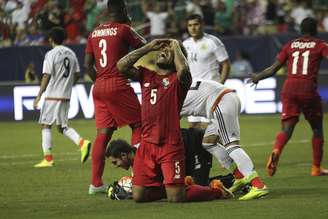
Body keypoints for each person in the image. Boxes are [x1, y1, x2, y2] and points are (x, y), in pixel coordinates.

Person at [117, 39, 232, 202]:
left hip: (170, 145)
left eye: (168, 52)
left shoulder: (179, 81)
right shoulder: (146, 75)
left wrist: (175, 45)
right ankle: (174, 187)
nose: (163, 52)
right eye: (162, 51)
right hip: (147, 145)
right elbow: (121, 66)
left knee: (177, 198)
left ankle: (215, 190)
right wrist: (149, 47)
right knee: (139, 196)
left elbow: (184, 69)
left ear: (176, 59)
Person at [248, 17, 328, 177]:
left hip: (289, 87)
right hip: (307, 87)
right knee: (317, 129)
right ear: (315, 30)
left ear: (301, 29)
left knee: (287, 128)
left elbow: (273, 68)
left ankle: (276, 150)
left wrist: (258, 77)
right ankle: (316, 168)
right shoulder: (320, 45)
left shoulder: (290, 45)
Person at [84, 0, 146, 195]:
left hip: (99, 86)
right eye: (126, 10)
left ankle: (95, 184)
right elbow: (145, 46)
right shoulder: (123, 29)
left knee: (103, 134)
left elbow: (87, 65)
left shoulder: (94, 32)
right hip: (117, 83)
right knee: (139, 125)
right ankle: (139, 175)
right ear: (121, 10)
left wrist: (101, 81)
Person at [180, 79, 269, 200]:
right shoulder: (181, 87)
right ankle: (239, 177)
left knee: (231, 144)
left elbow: (170, 123)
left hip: (220, 103)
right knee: (209, 143)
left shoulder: (173, 100)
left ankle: (258, 185)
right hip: (226, 97)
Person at [33, 27, 91, 168]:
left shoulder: (50, 54)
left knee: (46, 125)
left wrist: (39, 95)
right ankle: (82, 143)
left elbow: (46, 75)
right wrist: (67, 85)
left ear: (51, 39)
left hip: (53, 95)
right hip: (65, 95)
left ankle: (48, 158)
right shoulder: (71, 53)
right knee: (62, 126)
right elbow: (77, 74)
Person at [105, 128, 234, 187]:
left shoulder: (143, 152)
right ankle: (233, 180)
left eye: (115, 162)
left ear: (123, 155)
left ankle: (236, 180)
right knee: (190, 184)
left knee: (199, 186)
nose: (116, 165)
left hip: (193, 143)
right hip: (182, 154)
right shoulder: (137, 164)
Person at [182, 14, 231, 129]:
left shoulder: (213, 41)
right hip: (193, 91)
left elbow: (226, 64)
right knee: (193, 127)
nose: (193, 28)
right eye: (190, 25)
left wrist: (220, 86)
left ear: (202, 25)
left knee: (207, 128)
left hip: (210, 91)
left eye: (196, 24)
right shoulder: (185, 44)